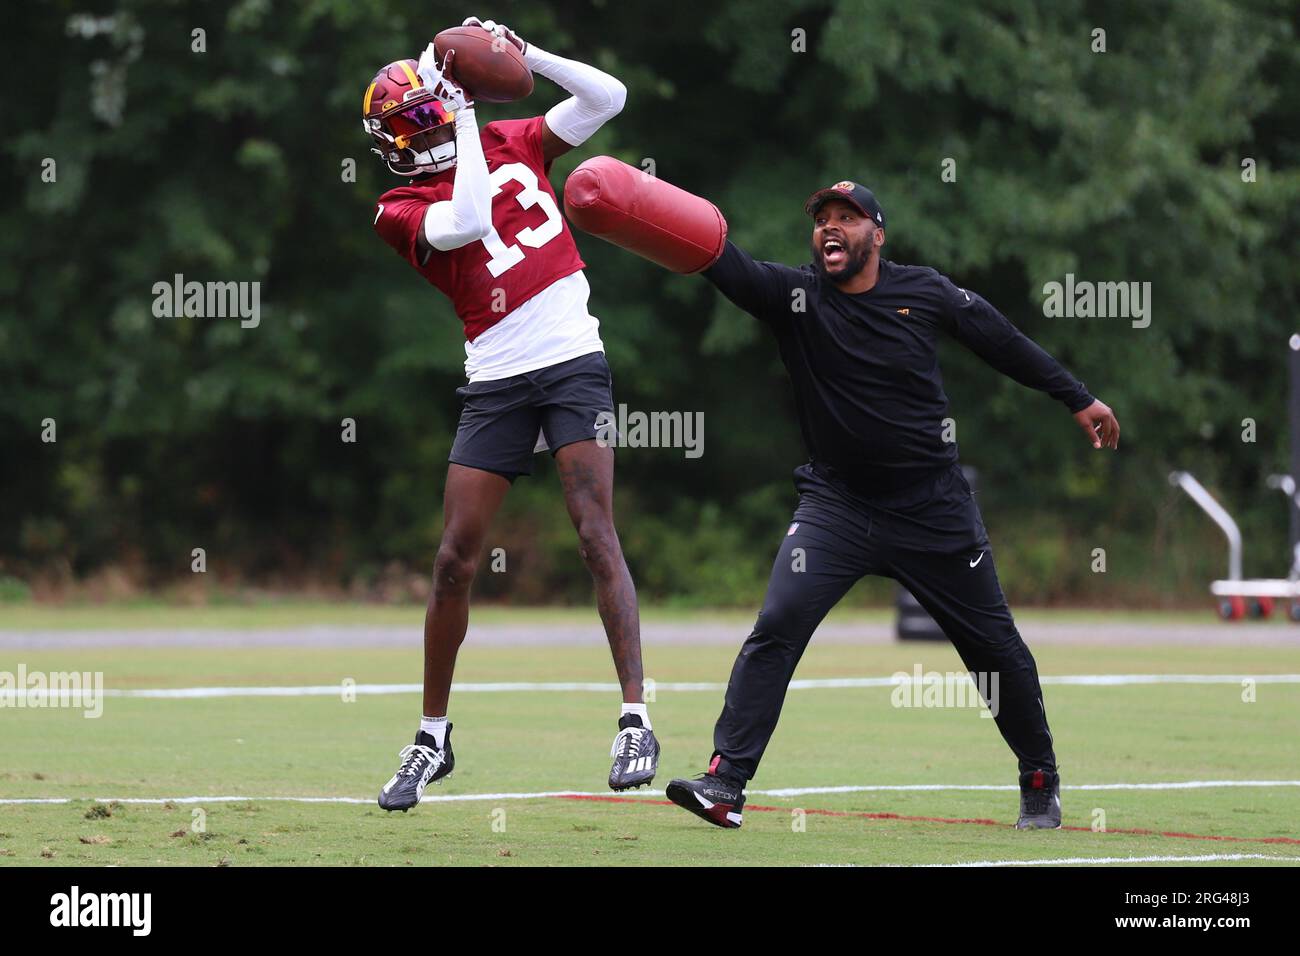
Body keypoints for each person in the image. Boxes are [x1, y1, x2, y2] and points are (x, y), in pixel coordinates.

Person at [665, 180, 1119, 830]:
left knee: (995, 650)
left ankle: (1039, 778)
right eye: (822, 217)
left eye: (847, 218)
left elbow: (1001, 340)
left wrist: (1077, 396)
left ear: (877, 234)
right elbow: (727, 266)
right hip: (837, 506)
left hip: (931, 507)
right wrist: (660, 214)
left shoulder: (925, 292)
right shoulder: (796, 298)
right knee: (779, 619)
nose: (830, 227)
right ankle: (726, 781)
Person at [362, 17, 658, 811]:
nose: (411, 135)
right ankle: (432, 736)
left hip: (569, 360)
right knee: (455, 558)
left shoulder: (510, 140)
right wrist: (460, 117)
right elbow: (469, 222)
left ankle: (635, 716)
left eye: (418, 116)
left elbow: (609, 96)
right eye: (407, 125)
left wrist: (527, 56)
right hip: (495, 376)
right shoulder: (398, 205)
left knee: (596, 529)